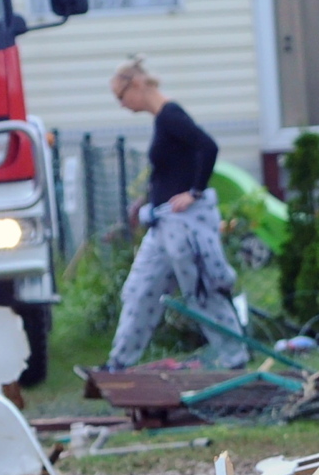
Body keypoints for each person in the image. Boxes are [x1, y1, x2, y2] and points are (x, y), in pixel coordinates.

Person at [104, 58, 248, 373]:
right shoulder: (162, 120)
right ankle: (118, 363)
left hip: (184, 226)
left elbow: (207, 147)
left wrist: (194, 192)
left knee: (202, 291)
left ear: (136, 85)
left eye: (121, 96)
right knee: (140, 290)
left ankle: (235, 360)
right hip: (162, 224)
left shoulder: (171, 115)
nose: (122, 105)